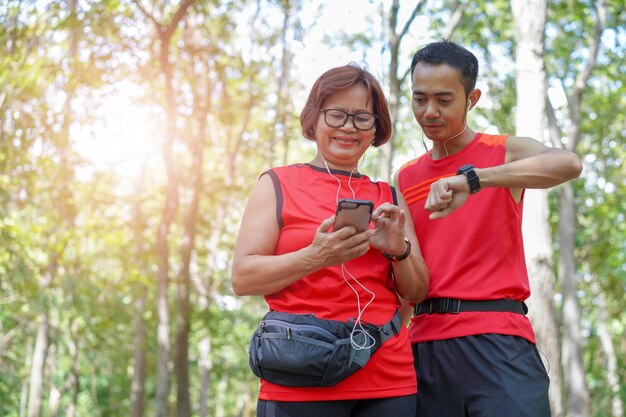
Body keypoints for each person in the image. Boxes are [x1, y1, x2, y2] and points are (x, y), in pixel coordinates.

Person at [396, 40, 582, 417]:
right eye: (420, 99)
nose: (429, 111)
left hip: (499, 343)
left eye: (444, 100)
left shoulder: (503, 152)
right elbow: (408, 282)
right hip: (425, 349)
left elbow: (568, 163)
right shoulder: (405, 177)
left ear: (472, 98)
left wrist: (474, 179)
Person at [231, 63, 429, 417]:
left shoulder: (389, 196)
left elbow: (416, 292)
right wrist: (315, 256)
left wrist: (398, 250)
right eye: (336, 114)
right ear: (314, 118)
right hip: (298, 376)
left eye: (362, 118)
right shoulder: (276, 184)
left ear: (375, 129)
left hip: (388, 379)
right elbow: (243, 278)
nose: (348, 127)